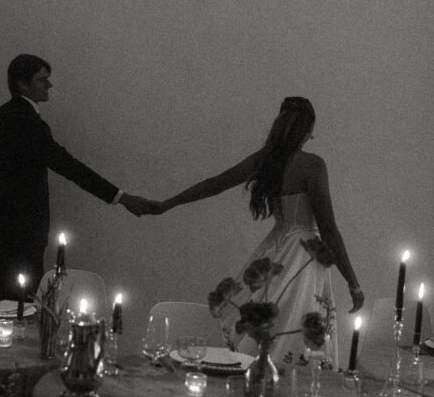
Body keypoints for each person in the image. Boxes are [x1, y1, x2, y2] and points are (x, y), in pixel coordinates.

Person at [155, 96, 363, 361]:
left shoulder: (265, 160)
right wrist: (354, 284)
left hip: (274, 250)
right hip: (304, 258)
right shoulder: (312, 165)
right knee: (294, 332)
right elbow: (329, 228)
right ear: (308, 130)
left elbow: (215, 183)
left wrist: (167, 203)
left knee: (266, 330)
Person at [0, 54, 154, 300]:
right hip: (24, 227)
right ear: (23, 84)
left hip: (11, 226)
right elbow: (67, 165)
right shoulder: (25, 121)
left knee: (11, 298)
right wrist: (122, 197)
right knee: (23, 303)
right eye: (42, 80)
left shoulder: (5, 115)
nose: (49, 85)